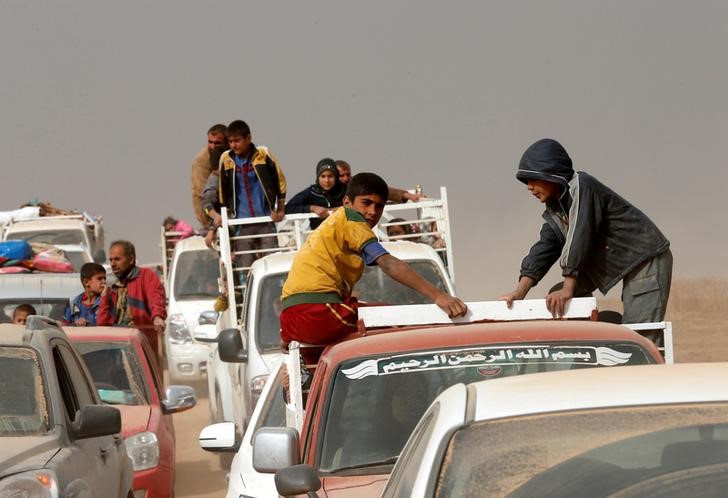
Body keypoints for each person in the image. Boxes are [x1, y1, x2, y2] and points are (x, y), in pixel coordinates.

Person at [280, 172, 467, 347]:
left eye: (379, 206)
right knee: (396, 323)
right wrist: (439, 296)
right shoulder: (352, 219)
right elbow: (388, 263)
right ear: (347, 202)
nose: (372, 211)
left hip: (289, 321)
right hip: (319, 313)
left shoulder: (330, 226)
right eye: (366, 203)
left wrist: (402, 195)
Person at [498, 138, 672, 323]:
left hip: (645, 260)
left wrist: (568, 288)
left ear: (551, 174)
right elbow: (544, 249)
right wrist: (519, 292)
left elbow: (579, 236)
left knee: (641, 333)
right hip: (615, 259)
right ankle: (597, 333)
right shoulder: (557, 209)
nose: (529, 187)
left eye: (533, 179)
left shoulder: (582, 186)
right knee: (555, 297)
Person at [200, 120, 287, 268]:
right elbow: (219, 194)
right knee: (245, 267)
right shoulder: (226, 160)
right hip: (241, 222)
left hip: (265, 218)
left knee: (272, 263)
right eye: (231, 141)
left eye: (237, 141)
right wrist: (218, 218)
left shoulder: (263, 154)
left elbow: (279, 180)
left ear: (248, 138)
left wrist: (280, 209)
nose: (234, 145)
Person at [98, 240, 167, 360]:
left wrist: (157, 316)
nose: (113, 264)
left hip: (143, 348)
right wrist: (104, 298)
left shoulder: (146, 276)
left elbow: (156, 297)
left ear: (131, 260)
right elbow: (102, 323)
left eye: (117, 259)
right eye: (111, 260)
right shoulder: (112, 287)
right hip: (118, 351)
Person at [285, 158, 346, 230]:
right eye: (323, 176)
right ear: (318, 177)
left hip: (343, 233)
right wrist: (312, 208)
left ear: (336, 177)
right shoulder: (311, 192)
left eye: (330, 176)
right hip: (319, 236)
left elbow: (357, 205)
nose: (327, 180)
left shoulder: (345, 190)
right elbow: (288, 208)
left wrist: (340, 209)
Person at [191, 124, 228, 228]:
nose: (212, 146)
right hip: (213, 219)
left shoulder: (233, 154)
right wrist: (212, 226)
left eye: (217, 143)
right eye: (210, 142)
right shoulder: (201, 162)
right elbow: (201, 195)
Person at [335, 159, 421, 203]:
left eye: (348, 175)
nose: (346, 178)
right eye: (341, 176)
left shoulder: (356, 183)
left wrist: (409, 196)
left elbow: (380, 190)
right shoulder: (324, 190)